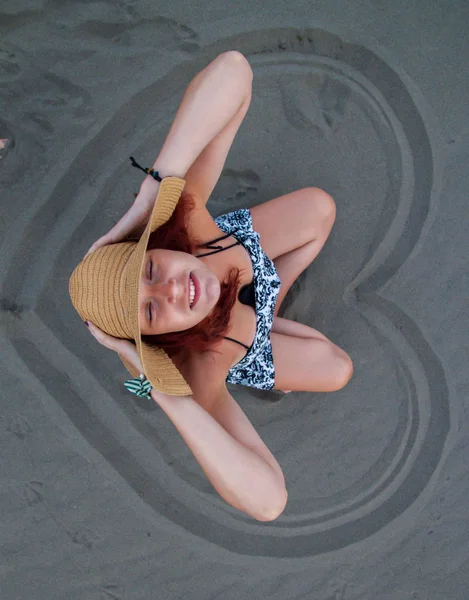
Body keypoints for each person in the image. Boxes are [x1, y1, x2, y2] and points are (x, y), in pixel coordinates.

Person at [69, 51, 353, 522]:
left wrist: (153, 187)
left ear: (155, 245)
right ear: (159, 339)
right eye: (152, 312)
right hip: (244, 346)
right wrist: (165, 396)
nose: (174, 291)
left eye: (150, 272)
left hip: (241, 255)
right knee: (337, 368)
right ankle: (264, 322)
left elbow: (234, 70)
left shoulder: (188, 220)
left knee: (320, 209)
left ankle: (274, 295)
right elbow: (268, 501)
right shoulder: (199, 370)